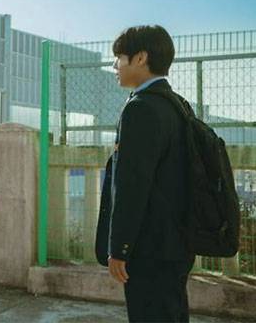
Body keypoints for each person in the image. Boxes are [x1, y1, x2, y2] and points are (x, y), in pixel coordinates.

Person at [96, 25, 194, 323]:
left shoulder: (140, 108)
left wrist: (120, 248)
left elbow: (132, 185)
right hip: (176, 242)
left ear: (140, 58)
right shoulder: (178, 105)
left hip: (148, 247)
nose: (115, 66)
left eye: (119, 58)